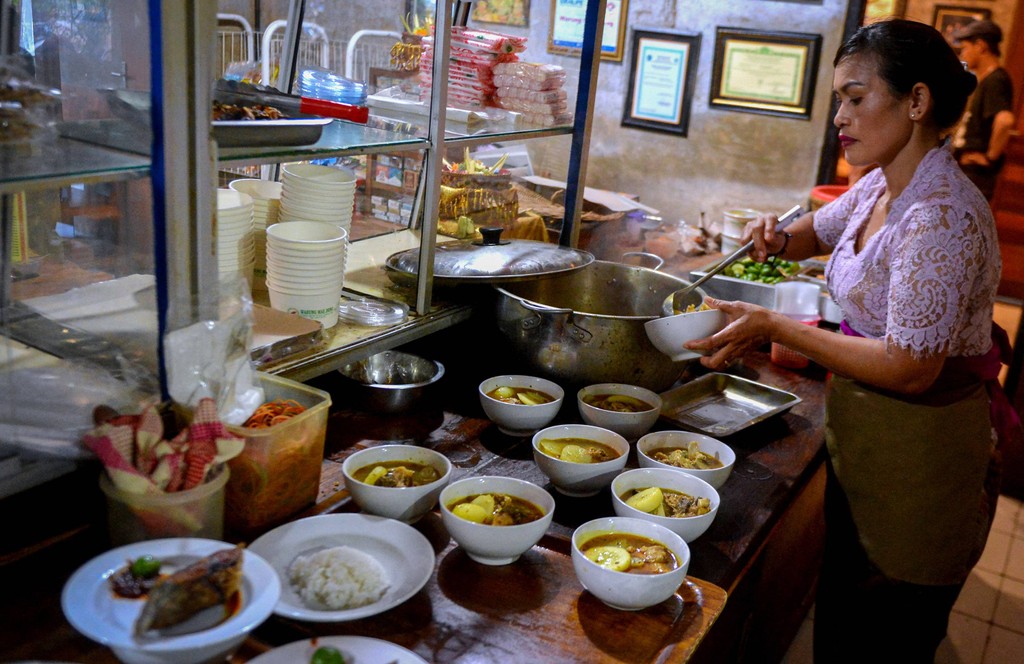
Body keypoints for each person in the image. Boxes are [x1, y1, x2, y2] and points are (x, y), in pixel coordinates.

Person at [685, 19, 1011, 662]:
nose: (840, 116)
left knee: (883, 633)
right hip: (868, 439)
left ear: (916, 102)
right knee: (845, 621)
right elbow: (816, 232)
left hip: (921, 459)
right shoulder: (883, 183)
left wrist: (778, 325)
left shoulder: (939, 213)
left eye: (856, 99)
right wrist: (778, 239)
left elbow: (911, 367)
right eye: (839, 100)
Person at [952, 19, 1016, 199]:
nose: (962, 54)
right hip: (966, 169)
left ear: (980, 46)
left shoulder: (996, 80)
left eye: (965, 48)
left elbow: (1005, 121)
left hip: (975, 173)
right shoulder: (985, 79)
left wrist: (990, 158)